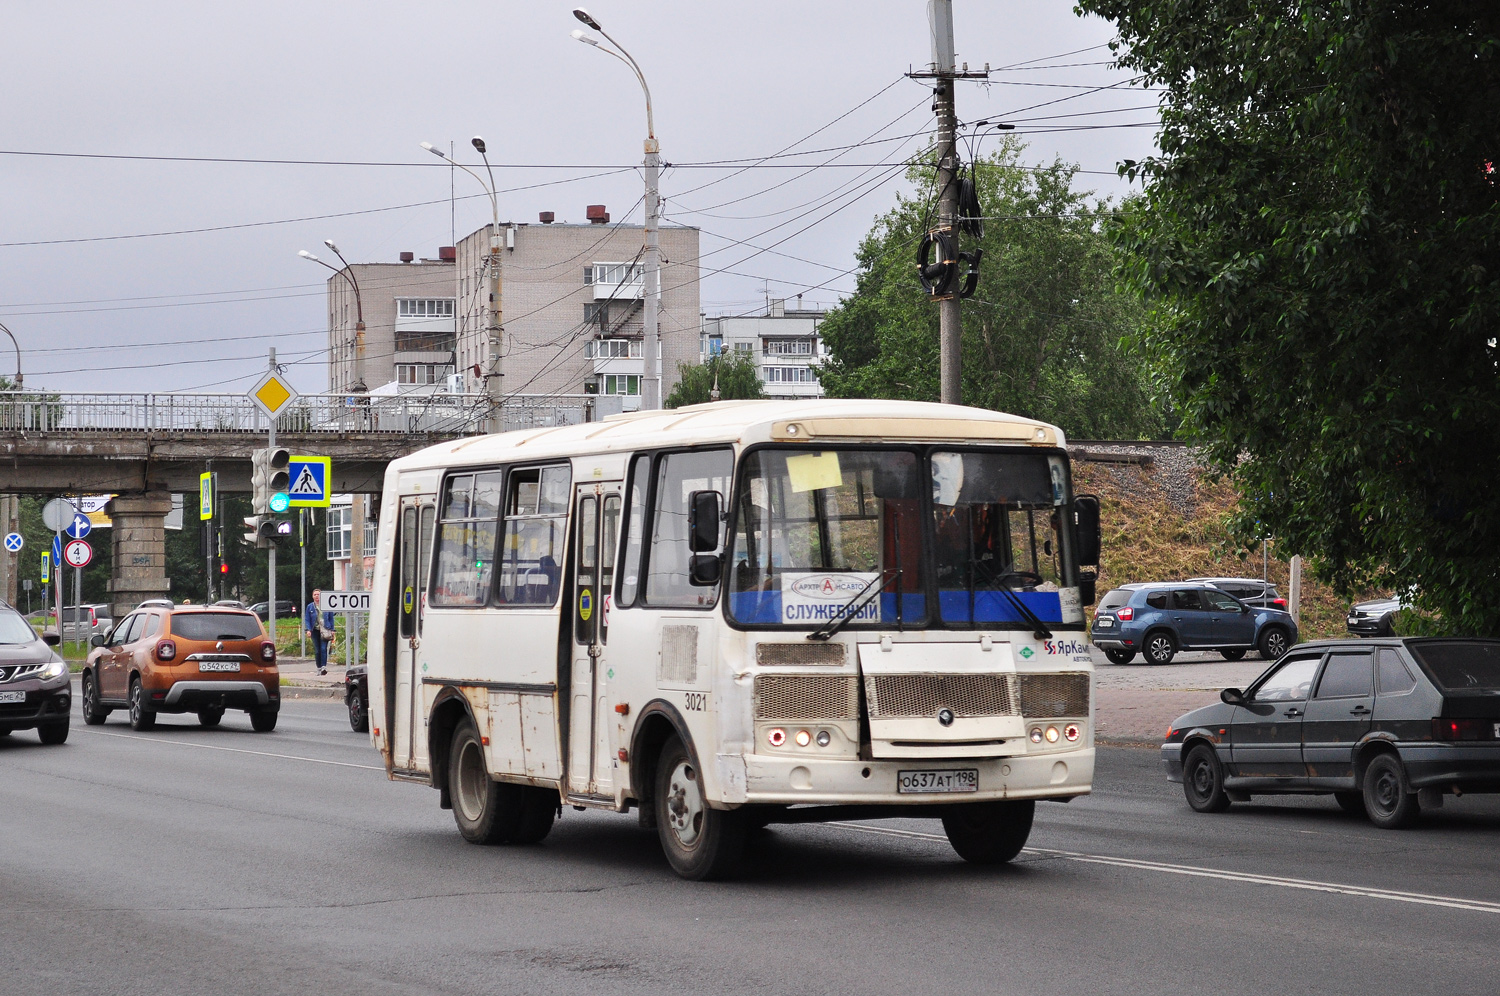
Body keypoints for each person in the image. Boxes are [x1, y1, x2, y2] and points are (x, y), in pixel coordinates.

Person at [304, 589, 335, 675]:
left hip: (325, 630)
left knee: (323, 648)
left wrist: (332, 629)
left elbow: (331, 618)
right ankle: (318, 667)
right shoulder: (310, 607)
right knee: (317, 650)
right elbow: (307, 619)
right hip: (315, 630)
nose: (317, 596)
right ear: (312, 596)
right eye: (315, 595)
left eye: (318, 594)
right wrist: (308, 630)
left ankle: (323, 667)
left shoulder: (327, 606)